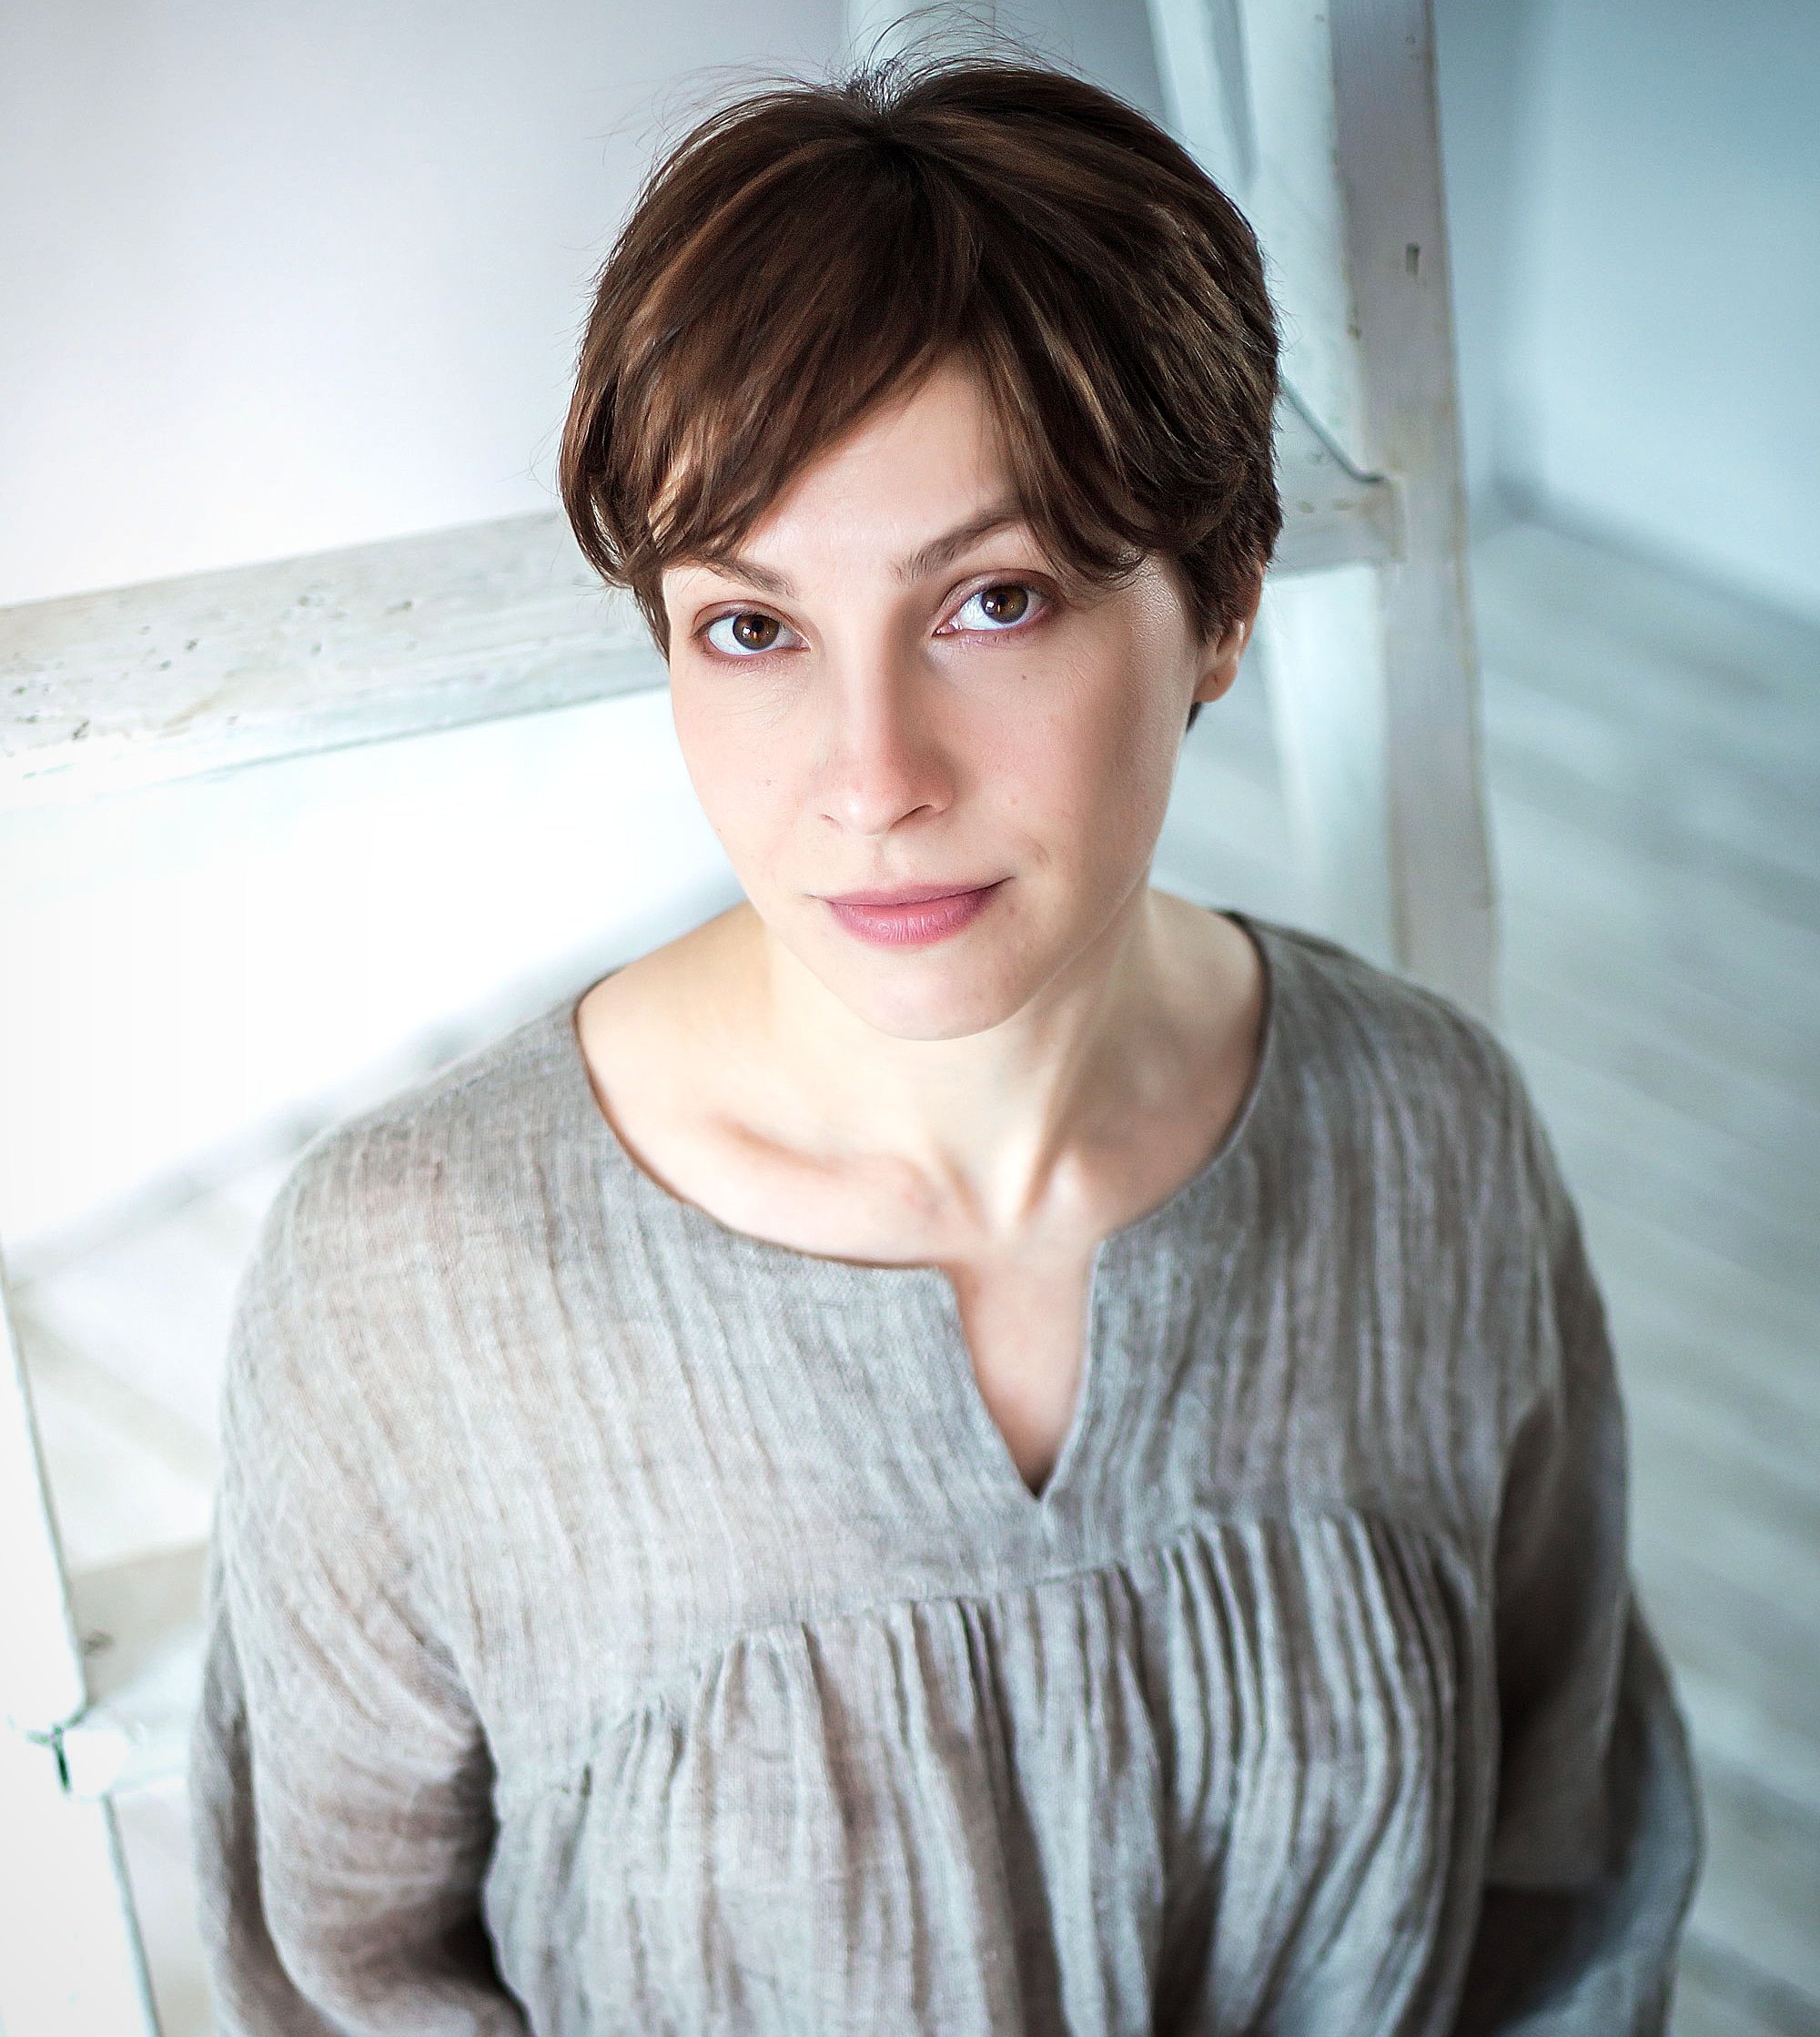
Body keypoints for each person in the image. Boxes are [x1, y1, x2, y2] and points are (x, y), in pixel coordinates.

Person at [187, 51, 1700, 2036]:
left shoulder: (1429, 1143)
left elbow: (1563, 1882)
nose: (870, 775)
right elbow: (347, 1987)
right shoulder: (407, 1286)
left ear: (1220, 601)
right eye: (753, 628)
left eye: (992, 601)